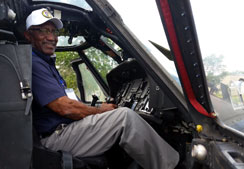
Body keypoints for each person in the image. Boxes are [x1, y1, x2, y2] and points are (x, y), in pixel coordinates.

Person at [24, 8, 179, 169]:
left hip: (61, 131)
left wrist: (98, 108)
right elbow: (65, 108)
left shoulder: (44, 62)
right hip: (54, 139)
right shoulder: (35, 63)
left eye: (54, 31)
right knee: (124, 117)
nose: (51, 37)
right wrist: (102, 111)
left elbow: (66, 105)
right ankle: (170, 166)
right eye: (43, 31)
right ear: (28, 35)